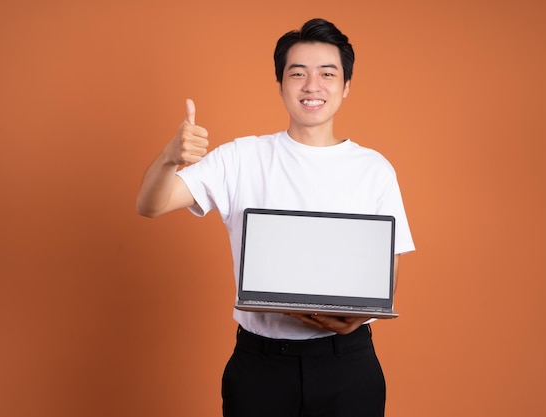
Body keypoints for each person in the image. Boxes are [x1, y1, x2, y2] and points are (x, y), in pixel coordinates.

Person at [137, 18, 414, 417]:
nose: (312, 86)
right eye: (297, 73)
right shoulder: (241, 157)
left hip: (347, 364)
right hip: (260, 367)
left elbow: (388, 275)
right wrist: (170, 157)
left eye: (327, 74)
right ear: (281, 83)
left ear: (346, 86)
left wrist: (354, 320)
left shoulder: (375, 169)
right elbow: (150, 204)